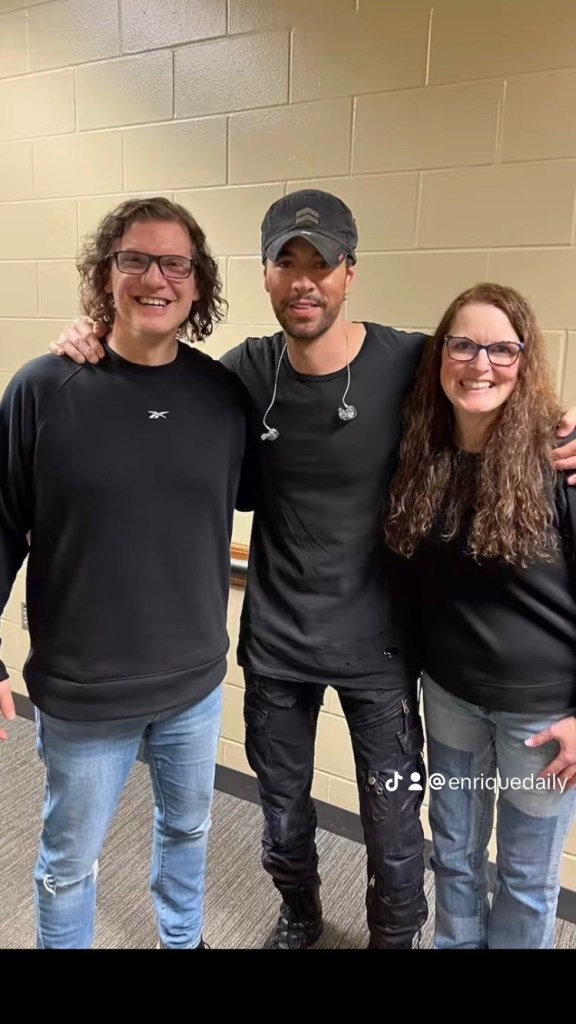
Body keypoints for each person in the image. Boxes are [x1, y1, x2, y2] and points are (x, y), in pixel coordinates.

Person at [47, 191, 576, 951]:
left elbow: (493, 376)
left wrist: (565, 424)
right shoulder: (241, 374)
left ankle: (395, 937)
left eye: (321, 264)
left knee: (397, 831)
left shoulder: (410, 361)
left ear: (348, 274)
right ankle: (300, 915)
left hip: (381, 653)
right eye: (286, 263)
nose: (304, 281)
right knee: (283, 814)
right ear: (265, 275)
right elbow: (153, 381)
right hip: (278, 649)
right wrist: (94, 334)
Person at [0, 196, 248, 950]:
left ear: (197, 285)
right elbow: (2, 526)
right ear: (105, 275)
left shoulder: (221, 396)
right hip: (85, 689)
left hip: (194, 683)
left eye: (175, 263)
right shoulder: (44, 389)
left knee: (189, 830)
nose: (154, 278)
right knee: (69, 864)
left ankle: (184, 939)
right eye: (134, 259)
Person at [385, 282, 576, 949]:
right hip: (450, 698)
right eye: (463, 345)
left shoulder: (560, 459)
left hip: (541, 717)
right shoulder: (424, 451)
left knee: (524, 878)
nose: (480, 364)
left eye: (502, 349)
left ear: (525, 360)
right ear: (441, 354)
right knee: (456, 856)